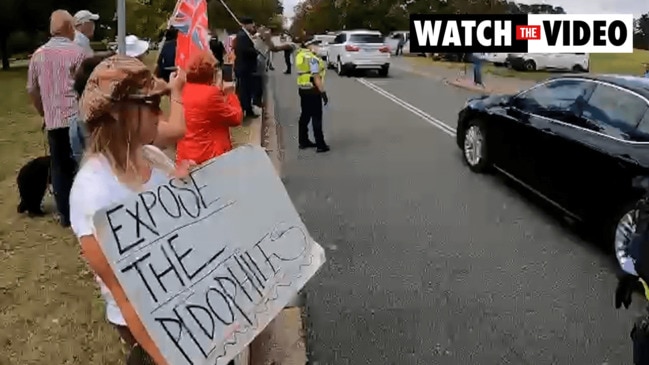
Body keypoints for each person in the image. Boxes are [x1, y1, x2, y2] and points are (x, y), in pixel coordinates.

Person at [69, 55, 191, 364]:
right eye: (149, 103)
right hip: (150, 324)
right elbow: (124, 294)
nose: (158, 112)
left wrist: (187, 187)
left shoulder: (151, 155)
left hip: (188, 303)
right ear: (117, 113)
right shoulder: (93, 192)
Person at [27, 10, 86, 227]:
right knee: (82, 165)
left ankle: (65, 215)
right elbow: (87, 85)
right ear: (69, 28)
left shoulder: (38, 55)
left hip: (53, 120)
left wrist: (43, 110)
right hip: (76, 118)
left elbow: (32, 89)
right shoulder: (78, 52)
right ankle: (84, 212)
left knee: (59, 167)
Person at [176, 51, 243, 165]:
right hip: (209, 157)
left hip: (185, 156)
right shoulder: (211, 94)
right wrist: (230, 94)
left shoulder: (183, 90)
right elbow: (235, 118)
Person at [295, 37, 329, 152]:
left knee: (305, 115)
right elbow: (316, 77)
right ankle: (320, 144)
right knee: (316, 117)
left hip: (303, 89)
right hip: (313, 90)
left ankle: (303, 141)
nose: (318, 47)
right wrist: (323, 92)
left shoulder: (300, 55)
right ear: (309, 46)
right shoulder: (313, 59)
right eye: (316, 45)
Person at [234, 16, 259, 118]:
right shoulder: (242, 36)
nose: (253, 26)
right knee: (244, 91)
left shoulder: (245, 35)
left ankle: (248, 109)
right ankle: (244, 110)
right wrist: (256, 50)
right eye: (251, 24)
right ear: (246, 24)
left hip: (245, 67)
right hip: (244, 67)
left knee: (247, 90)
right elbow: (244, 51)